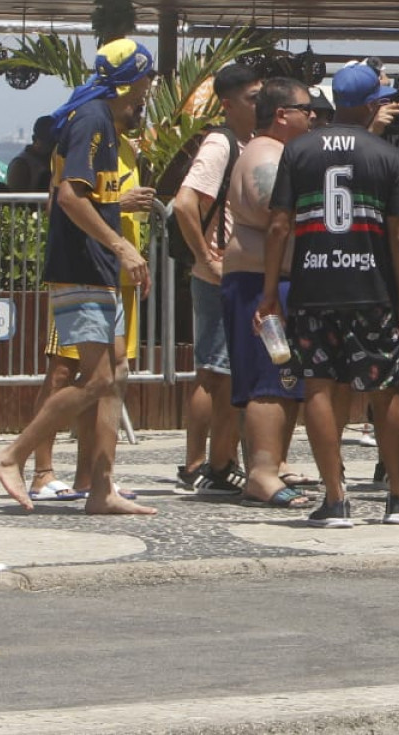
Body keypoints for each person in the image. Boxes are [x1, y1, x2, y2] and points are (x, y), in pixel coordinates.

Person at [0, 40, 158, 515]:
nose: (150, 88)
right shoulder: (93, 120)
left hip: (97, 267)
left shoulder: (101, 120)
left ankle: (101, 489)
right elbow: (68, 197)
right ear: (135, 79)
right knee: (97, 378)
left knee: (116, 373)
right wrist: (121, 244)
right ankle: (12, 455)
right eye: (149, 77)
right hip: (81, 264)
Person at [258, 62, 399, 527]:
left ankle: (334, 498)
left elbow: (279, 225)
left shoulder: (300, 150)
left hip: (312, 285)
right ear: (371, 104)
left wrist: (271, 292)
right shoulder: (388, 155)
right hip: (371, 288)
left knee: (319, 386)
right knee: (384, 389)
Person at [219, 76, 316, 510]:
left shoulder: (281, 153)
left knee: (287, 378)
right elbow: (269, 207)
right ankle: (260, 471)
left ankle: (270, 465)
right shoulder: (265, 153)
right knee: (269, 380)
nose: (313, 117)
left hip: (277, 279)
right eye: (306, 109)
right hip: (261, 284)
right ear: (281, 115)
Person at [172, 63, 261, 495]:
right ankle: (196, 464)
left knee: (227, 371)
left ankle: (222, 462)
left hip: (232, 272)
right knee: (213, 370)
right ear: (228, 104)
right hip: (217, 275)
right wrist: (205, 255)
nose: (259, 105)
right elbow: (185, 202)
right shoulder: (221, 142)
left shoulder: (246, 143)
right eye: (251, 98)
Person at [3, 115, 56, 194]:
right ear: (35, 139)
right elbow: (18, 198)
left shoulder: (53, 161)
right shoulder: (21, 164)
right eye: (49, 142)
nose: (52, 147)